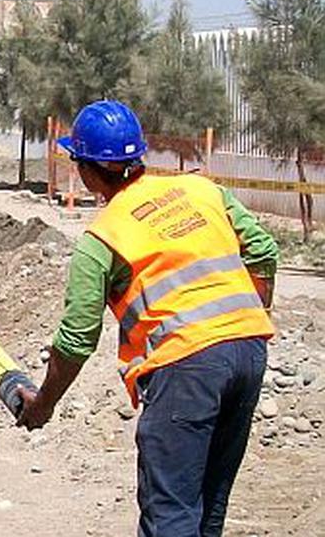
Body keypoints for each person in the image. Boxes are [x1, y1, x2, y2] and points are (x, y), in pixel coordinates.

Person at [16, 100, 277, 537]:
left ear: (85, 169)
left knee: (171, 512)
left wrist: (44, 403)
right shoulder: (201, 191)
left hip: (186, 370)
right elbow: (264, 250)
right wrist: (245, 320)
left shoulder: (102, 238)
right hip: (250, 351)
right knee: (209, 503)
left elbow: (77, 339)